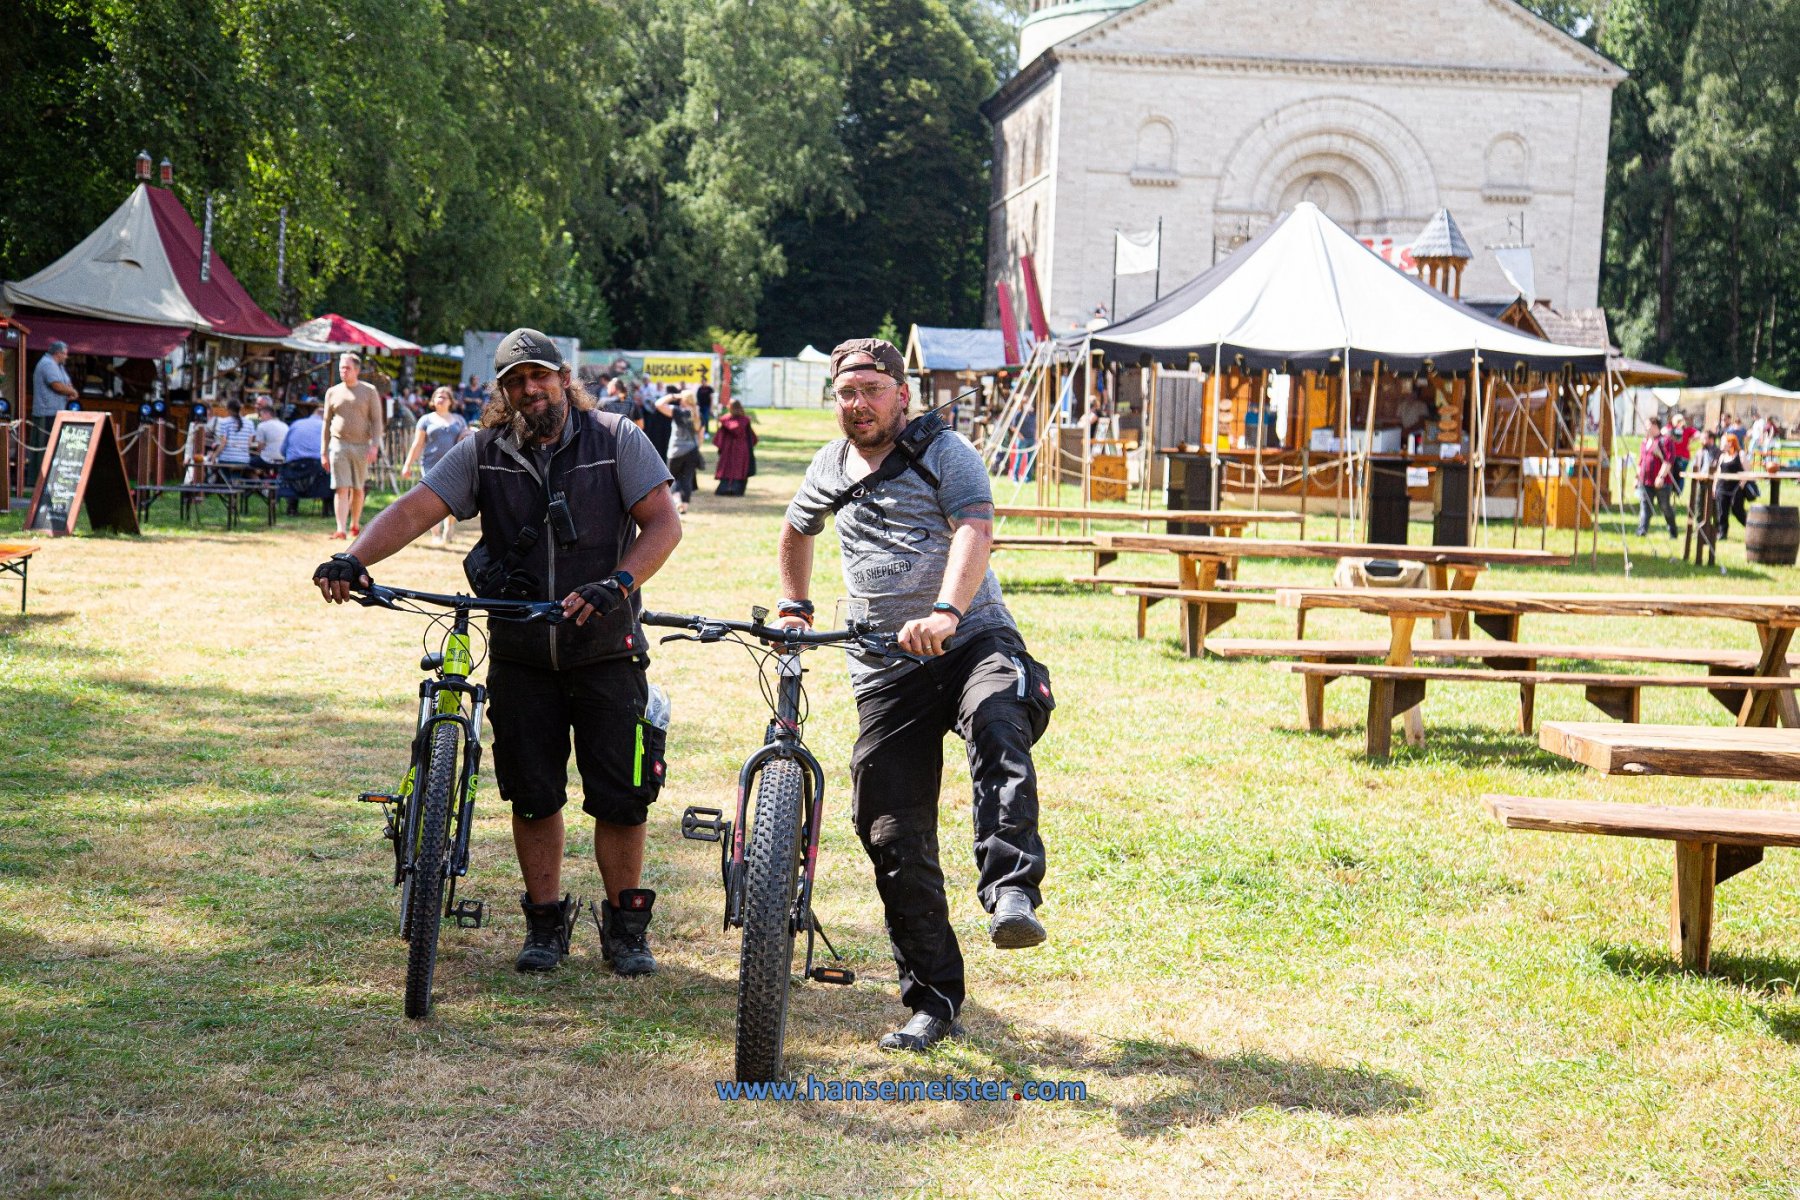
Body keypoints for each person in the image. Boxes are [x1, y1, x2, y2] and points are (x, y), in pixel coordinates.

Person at [313, 328, 682, 977]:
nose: (530, 389)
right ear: (503, 392)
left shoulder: (616, 437)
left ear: (563, 377)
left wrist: (619, 582)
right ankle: (544, 924)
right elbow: (415, 509)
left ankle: (627, 931)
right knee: (533, 795)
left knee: (623, 796)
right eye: (515, 381)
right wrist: (354, 556)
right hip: (519, 651)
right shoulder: (483, 451)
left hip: (607, 647)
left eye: (539, 376)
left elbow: (664, 523)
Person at [776, 337, 1053, 1054]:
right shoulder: (829, 466)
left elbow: (975, 530)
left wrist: (947, 613)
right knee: (890, 830)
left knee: (998, 717)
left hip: (970, 641)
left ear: (902, 393)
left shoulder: (946, 452)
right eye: (846, 393)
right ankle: (933, 1000)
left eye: (871, 390)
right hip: (884, 668)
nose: (858, 404)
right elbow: (797, 528)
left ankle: (1011, 891)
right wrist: (795, 604)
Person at [321, 353, 385, 540]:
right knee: (341, 487)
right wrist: (323, 451)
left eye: (347, 368)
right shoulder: (332, 392)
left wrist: (374, 445)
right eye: (341, 367)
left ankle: (355, 524)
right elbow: (326, 422)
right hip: (338, 443)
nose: (343, 371)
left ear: (356, 370)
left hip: (361, 445)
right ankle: (340, 529)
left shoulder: (369, 391)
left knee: (358, 488)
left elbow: (376, 420)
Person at [401, 386, 472, 543]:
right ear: (432, 400)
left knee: (453, 499)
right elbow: (417, 444)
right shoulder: (425, 420)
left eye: (444, 396)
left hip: (455, 465)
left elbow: (466, 438)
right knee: (432, 501)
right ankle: (436, 534)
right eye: (437, 396)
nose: (440, 398)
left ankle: (449, 528)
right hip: (430, 465)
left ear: (450, 401)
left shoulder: (459, 420)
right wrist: (407, 465)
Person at [29, 340, 78, 485]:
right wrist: (72, 391)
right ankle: (40, 480)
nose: (66, 357)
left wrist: (69, 390)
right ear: (58, 353)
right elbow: (56, 385)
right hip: (46, 412)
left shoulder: (59, 366)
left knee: (55, 446)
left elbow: (66, 383)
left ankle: (51, 478)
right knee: (45, 447)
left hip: (57, 411)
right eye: (65, 354)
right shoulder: (47, 364)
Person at [656, 388, 704, 513]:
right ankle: (685, 506)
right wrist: (697, 448)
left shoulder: (677, 411)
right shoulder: (697, 413)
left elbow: (658, 404)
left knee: (672, 478)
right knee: (687, 478)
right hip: (692, 450)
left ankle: (677, 501)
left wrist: (673, 396)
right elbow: (701, 435)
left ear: (683, 399)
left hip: (676, 451)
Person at [279, 399, 327, 514]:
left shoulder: (296, 424)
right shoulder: (324, 426)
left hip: (293, 468)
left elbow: (282, 450)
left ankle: (292, 507)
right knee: (328, 472)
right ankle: (328, 507)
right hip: (316, 470)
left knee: (293, 474)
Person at [1636, 416, 1678, 538]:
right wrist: (1637, 477)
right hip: (1645, 481)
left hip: (1662, 482)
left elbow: (1668, 460)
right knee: (1645, 506)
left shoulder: (1665, 441)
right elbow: (1641, 461)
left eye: (1648, 425)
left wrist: (1661, 476)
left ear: (1655, 426)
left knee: (1665, 507)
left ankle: (1673, 531)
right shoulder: (1645, 442)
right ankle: (1642, 531)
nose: (1646, 428)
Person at [712, 400, 757, 496]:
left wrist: (721, 447)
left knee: (727, 467)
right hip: (742, 448)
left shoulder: (725, 420)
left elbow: (720, 436)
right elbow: (751, 437)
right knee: (740, 468)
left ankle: (724, 489)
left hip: (728, 448)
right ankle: (737, 490)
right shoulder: (745, 420)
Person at [1714, 432, 1752, 540]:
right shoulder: (1722, 456)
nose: (1721, 444)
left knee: (1737, 510)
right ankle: (1722, 533)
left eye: (1723, 442)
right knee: (1722, 511)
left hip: (1736, 488)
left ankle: (1752, 527)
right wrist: (1714, 487)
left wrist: (1741, 486)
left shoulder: (1740, 454)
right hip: (1722, 487)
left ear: (1730, 443)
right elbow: (1718, 472)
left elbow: (1747, 471)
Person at [210, 399, 255, 473]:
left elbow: (223, 443)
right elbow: (249, 444)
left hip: (226, 459)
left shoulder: (224, 422)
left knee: (213, 469)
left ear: (229, 409)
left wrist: (214, 455)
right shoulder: (250, 423)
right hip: (244, 460)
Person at [251, 398, 288, 468]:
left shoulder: (262, 425)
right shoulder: (285, 425)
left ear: (267, 414)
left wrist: (259, 454)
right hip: (283, 460)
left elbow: (260, 447)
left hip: (268, 460)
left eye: (261, 415)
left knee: (252, 461)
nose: (260, 418)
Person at [1666, 411, 1696, 487]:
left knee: (1680, 475)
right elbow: (1663, 431)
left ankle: (1678, 491)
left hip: (1683, 457)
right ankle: (1673, 489)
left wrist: (1691, 441)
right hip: (1673, 456)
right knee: (1672, 474)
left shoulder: (1687, 430)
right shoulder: (1671, 429)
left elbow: (1698, 434)